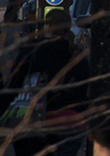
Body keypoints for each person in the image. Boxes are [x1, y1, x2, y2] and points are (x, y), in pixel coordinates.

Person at [2, 9, 90, 156]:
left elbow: (12, 87)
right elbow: (83, 91)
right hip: (74, 123)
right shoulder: (78, 54)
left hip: (41, 123)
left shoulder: (34, 49)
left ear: (47, 26)